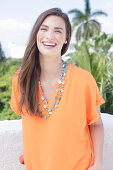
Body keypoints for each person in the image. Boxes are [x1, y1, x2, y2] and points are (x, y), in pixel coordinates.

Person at [10, 8, 105, 170]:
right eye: (44, 29)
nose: (50, 36)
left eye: (58, 31)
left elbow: (96, 125)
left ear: (66, 39)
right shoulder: (21, 80)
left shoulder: (84, 80)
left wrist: (98, 164)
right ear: (36, 34)